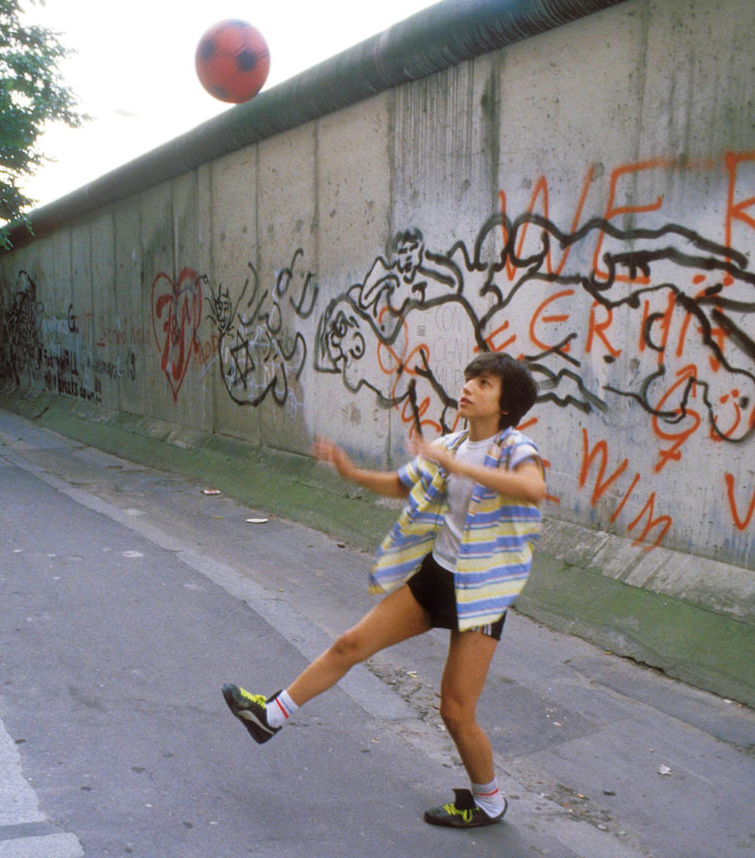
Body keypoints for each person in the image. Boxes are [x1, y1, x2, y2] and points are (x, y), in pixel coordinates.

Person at [223, 352, 545, 829]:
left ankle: (489, 802)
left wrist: (457, 466)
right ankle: (272, 715)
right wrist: (351, 472)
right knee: (350, 643)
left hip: (481, 593)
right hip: (436, 576)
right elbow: (401, 484)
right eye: (470, 377)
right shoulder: (452, 443)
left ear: (504, 405)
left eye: (485, 383)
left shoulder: (516, 447)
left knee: (456, 711)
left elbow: (533, 488)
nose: (470, 387)